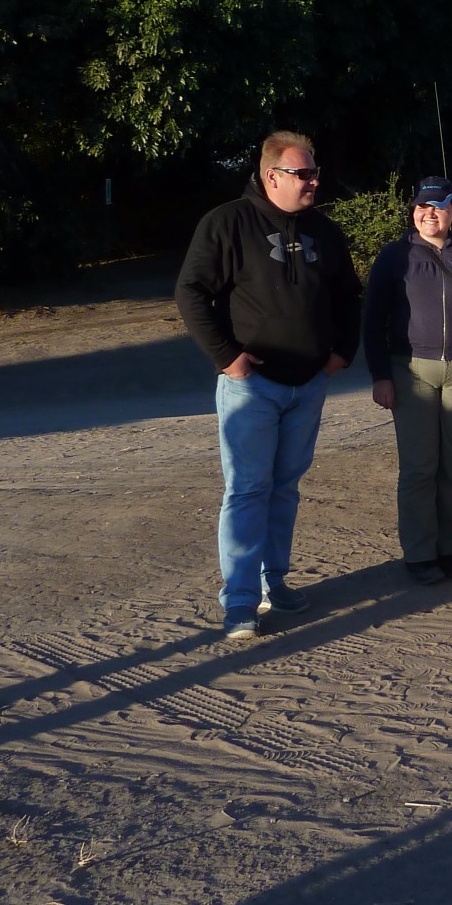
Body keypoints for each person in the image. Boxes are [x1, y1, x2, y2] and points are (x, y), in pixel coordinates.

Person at [175, 131, 361, 642]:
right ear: (271, 176)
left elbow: (349, 295)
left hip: (308, 386)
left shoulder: (324, 230)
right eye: (304, 174)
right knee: (247, 489)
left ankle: (272, 582)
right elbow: (190, 292)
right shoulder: (228, 223)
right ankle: (239, 602)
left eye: (315, 172)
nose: (314, 181)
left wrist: (344, 351)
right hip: (252, 388)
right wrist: (227, 358)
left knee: (285, 488)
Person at [364, 177, 452, 585]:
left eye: (439, 206)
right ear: (413, 212)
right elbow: (372, 319)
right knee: (418, 466)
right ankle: (420, 554)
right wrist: (380, 375)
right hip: (411, 372)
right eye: (423, 207)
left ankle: (447, 548)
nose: (430, 213)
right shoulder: (396, 256)